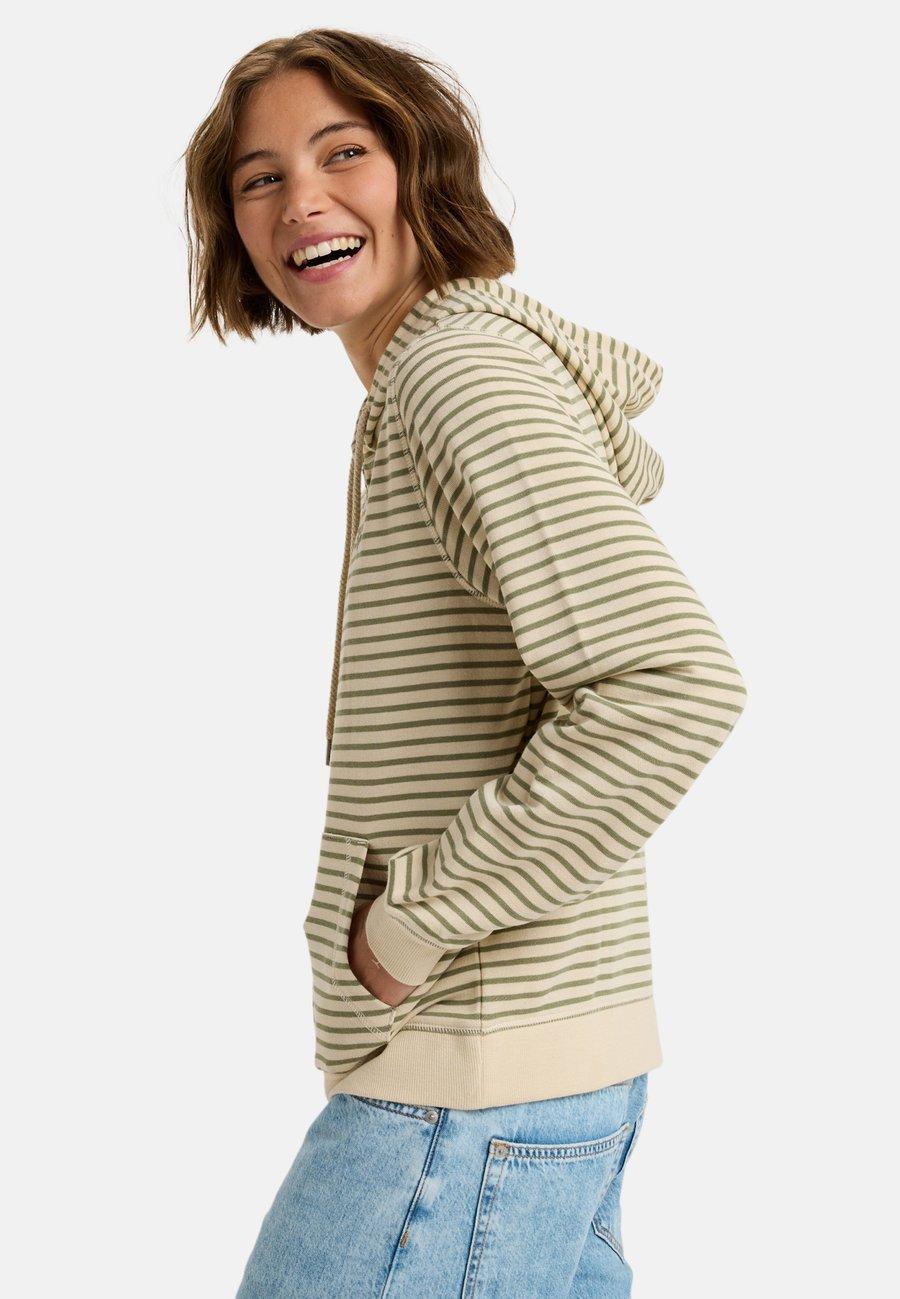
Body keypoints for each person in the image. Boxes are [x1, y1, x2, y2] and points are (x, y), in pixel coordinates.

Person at [183, 27, 748, 1299]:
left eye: (344, 153)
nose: (301, 198)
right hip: (532, 1076)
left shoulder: (458, 373)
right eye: (261, 177)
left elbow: (671, 685)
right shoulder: (429, 381)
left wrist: (412, 922)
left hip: (469, 1086)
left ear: (422, 167)